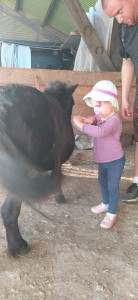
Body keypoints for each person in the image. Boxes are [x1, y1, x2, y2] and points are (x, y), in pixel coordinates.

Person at [72, 80, 125, 229]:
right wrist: (86, 120)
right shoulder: (100, 117)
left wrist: (81, 125)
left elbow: (100, 132)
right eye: (94, 106)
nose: (95, 109)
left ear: (111, 103)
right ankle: (105, 203)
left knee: (112, 186)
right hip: (103, 160)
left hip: (115, 161)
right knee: (102, 182)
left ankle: (112, 213)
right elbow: (93, 120)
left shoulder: (114, 120)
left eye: (98, 105)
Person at [101, 1, 138, 203]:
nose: (119, 19)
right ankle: (137, 182)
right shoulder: (124, 30)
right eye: (115, 17)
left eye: (120, 12)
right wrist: (124, 97)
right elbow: (127, 62)